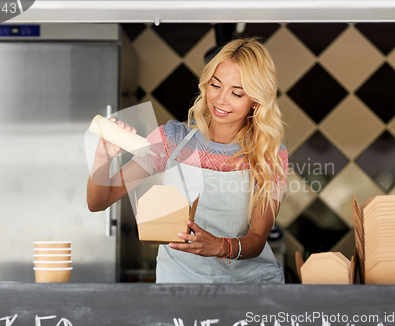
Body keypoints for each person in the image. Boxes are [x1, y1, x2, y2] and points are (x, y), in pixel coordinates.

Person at [87, 37, 288, 283]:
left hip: (250, 287)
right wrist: (102, 157)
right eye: (216, 85)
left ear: (256, 102)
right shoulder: (171, 141)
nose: (221, 99)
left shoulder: (269, 154)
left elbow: (257, 240)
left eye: (237, 93)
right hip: (179, 285)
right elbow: (98, 202)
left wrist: (219, 246)